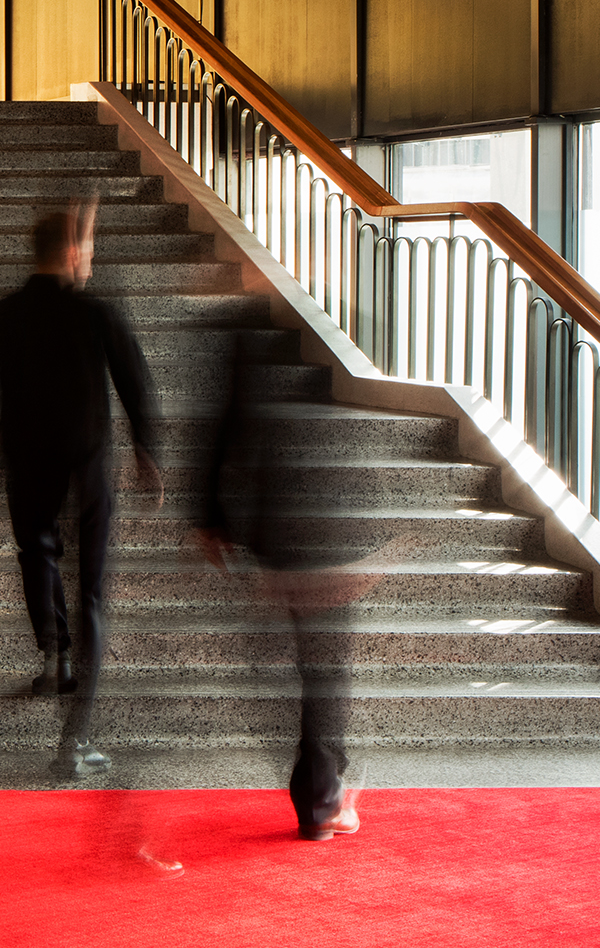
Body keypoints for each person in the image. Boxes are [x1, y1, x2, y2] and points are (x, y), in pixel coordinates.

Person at [0, 203, 161, 777]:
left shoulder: (0, 316)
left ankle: (56, 652)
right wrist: (149, 456)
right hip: (90, 470)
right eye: (84, 251)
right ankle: (76, 739)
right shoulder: (97, 314)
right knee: (92, 593)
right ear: (71, 253)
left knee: (37, 554)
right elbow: (136, 385)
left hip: (27, 467)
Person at [194, 326, 367, 840]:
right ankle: (321, 793)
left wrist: (211, 512)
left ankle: (318, 787)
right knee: (325, 667)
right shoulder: (330, 330)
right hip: (329, 524)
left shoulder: (248, 336)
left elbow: (223, 424)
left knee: (307, 667)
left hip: (277, 525)